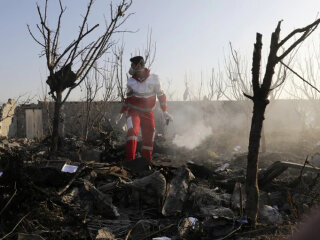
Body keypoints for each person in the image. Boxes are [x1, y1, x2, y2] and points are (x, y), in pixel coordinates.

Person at [116, 56, 173, 162]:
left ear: (139, 65)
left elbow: (161, 95)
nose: (131, 67)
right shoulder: (131, 81)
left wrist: (165, 111)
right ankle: (130, 162)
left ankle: (145, 162)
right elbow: (128, 100)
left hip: (148, 112)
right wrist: (121, 113)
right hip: (133, 112)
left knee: (150, 134)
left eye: (133, 65)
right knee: (132, 133)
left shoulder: (154, 79)